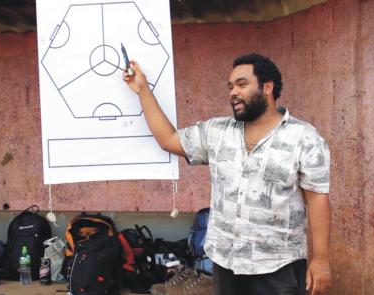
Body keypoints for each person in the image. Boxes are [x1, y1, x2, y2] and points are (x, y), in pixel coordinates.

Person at [123, 53, 331, 295]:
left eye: (242, 85)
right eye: (230, 86)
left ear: (267, 87)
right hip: (225, 262)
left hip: (278, 264)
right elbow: (169, 139)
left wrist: (321, 260)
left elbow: (317, 198)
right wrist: (143, 91)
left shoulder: (304, 138)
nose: (233, 92)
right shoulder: (217, 131)